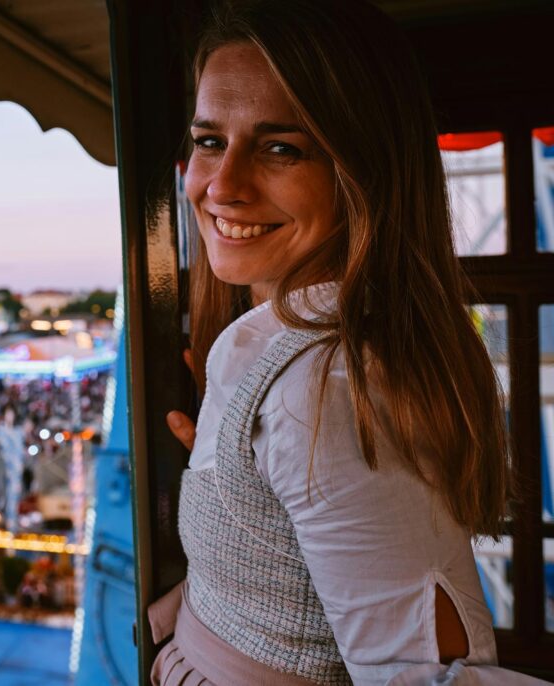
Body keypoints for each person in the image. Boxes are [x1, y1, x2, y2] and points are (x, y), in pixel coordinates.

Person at [149, 1, 545, 684]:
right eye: (210, 140)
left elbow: (424, 674)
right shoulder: (290, 364)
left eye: (280, 148)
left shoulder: (322, 387)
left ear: (362, 171)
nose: (222, 184)